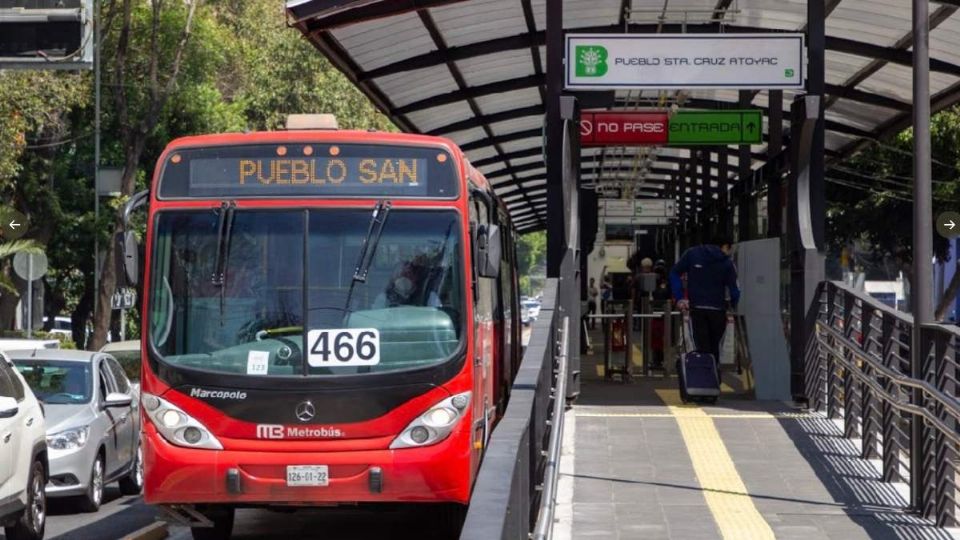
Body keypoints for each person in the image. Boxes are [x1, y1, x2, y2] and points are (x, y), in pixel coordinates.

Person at [669, 235, 740, 364]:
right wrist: (733, 306)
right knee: (715, 346)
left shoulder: (692, 254)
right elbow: (734, 291)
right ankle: (714, 374)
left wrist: (679, 297)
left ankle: (705, 374)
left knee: (702, 346)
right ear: (724, 246)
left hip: (697, 308)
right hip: (718, 310)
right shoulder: (727, 263)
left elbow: (674, 272)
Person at [373, 259, 441, 309]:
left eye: (408, 274)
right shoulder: (384, 298)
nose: (404, 278)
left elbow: (436, 318)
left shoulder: (429, 297)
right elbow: (376, 319)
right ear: (393, 279)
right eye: (400, 274)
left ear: (415, 277)